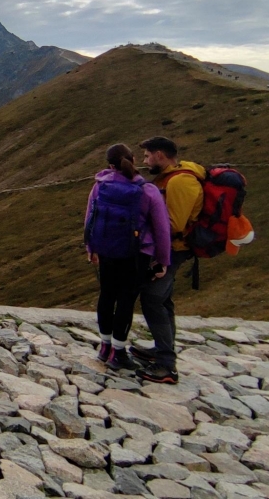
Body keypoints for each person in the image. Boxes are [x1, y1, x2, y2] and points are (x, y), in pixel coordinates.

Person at [85, 144, 171, 371]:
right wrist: (163, 260)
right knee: (126, 300)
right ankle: (119, 352)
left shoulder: (100, 186)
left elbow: (91, 217)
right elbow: (162, 228)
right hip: (137, 253)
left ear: (109, 164)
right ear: (132, 159)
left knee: (107, 295)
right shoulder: (147, 190)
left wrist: (90, 247)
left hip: (106, 250)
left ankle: (104, 347)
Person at [131, 136, 206, 384]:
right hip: (170, 248)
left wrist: (143, 232)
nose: (145, 161)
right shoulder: (170, 178)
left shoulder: (181, 181)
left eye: (147, 156)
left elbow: (173, 224)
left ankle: (166, 365)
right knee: (163, 299)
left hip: (174, 249)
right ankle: (162, 349)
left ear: (160, 155)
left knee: (152, 299)